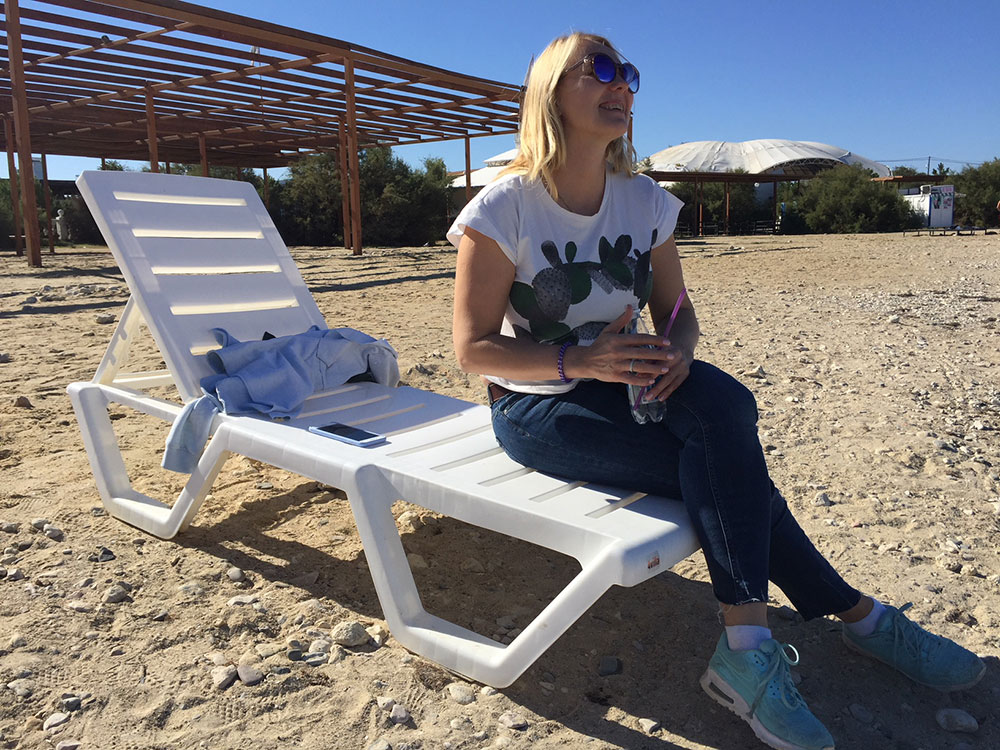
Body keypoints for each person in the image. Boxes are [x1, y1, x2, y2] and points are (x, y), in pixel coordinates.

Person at [447, 32, 985, 750]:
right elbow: (473, 349)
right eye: (600, 69)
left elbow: (676, 311)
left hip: (634, 385)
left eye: (628, 73)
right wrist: (583, 358)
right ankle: (854, 618)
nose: (622, 84)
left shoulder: (644, 201)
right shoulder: (505, 207)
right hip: (537, 404)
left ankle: (759, 647)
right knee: (729, 475)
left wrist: (677, 348)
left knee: (727, 410)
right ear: (551, 90)